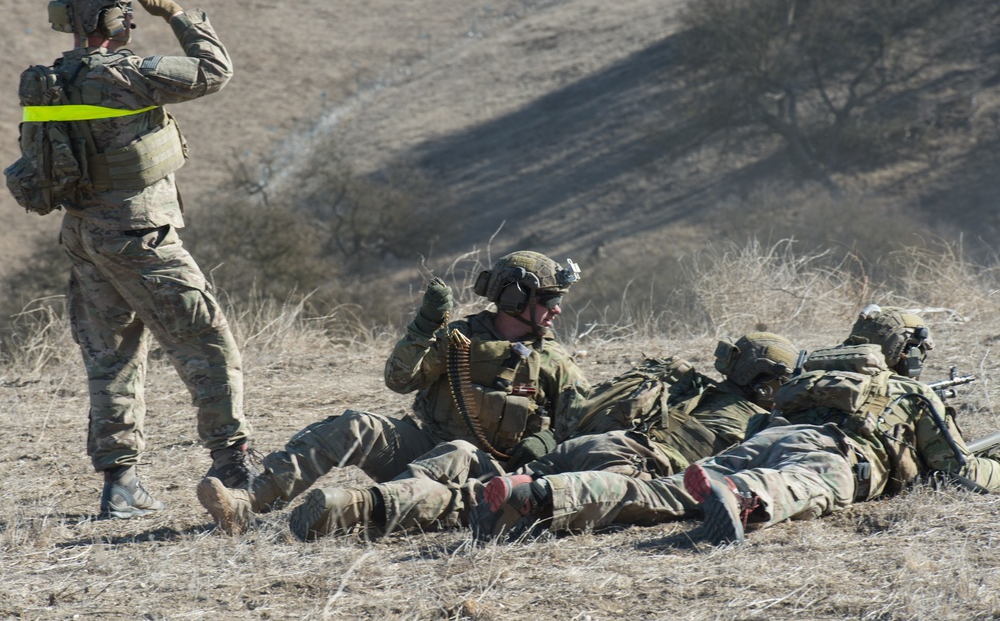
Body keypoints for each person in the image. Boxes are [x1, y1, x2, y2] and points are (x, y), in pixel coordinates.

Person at [474, 304, 1000, 544]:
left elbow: (759, 430)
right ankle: (738, 494)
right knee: (797, 485)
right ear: (903, 354)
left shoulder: (803, 382)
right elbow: (961, 473)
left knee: (663, 492)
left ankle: (537, 495)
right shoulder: (910, 391)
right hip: (833, 453)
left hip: (768, 438)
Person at [29, 0, 255, 519]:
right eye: (124, 7)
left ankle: (121, 483)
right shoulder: (128, 73)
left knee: (111, 360)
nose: (132, 15)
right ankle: (236, 466)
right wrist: (175, 13)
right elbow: (215, 70)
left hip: (85, 236)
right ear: (110, 16)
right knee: (206, 342)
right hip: (138, 235)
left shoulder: (53, 79)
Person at [196, 251, 593, 534]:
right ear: (515, 297)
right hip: (425, 449)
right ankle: (247, 503)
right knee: (356, 425)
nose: (557, 310)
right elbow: (400, 380)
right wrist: (423, 329)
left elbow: (586, 424)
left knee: (459, 452)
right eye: (549, 300)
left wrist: (546, 440)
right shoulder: (460, 339)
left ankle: (357, 508)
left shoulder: (554, 360)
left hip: (486, 476)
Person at [279, 330, 799, 541]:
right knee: (475, 505)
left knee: (464, 458)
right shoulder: (758, 421)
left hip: (581, 446)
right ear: (769, 383)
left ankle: (360, 498)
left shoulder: (681, 382)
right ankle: (362, 510)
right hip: (625, 464)